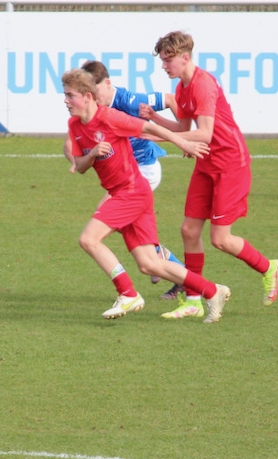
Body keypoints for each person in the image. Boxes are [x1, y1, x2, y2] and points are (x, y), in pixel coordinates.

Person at [62, 68, 230, 324]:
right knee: (149, 264)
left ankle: (127, 293)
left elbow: (149, 128)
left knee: (89, 239)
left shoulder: (110, 117)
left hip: (130, 192)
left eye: (70, 96)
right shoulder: (74, 125)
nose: (65, 101)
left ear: (86, 96)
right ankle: (212, 290)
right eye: (65, 95)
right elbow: (81, 165)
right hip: (127, 193)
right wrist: (93, 153)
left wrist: (183, 143)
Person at [140, 31, 278, 320]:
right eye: (162, 61)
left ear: (185, 58)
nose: (164, 66)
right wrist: (155, 119)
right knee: (189, 231)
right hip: (206, 162)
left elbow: (204, 132)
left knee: (221, 239)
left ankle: (269, 268)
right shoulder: (182, 88)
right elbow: (183, 128)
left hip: (230, 162)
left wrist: (159, 136)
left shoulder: (204, 85)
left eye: (168, 60)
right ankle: (193, 298)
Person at [66, 60, 186, 299]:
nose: (92, 95)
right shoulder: (90, 116)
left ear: (107, 84)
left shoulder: (128, 101)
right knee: (114, 220)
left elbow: (170, 101)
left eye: (95, 89)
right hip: (130, 170)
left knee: (104, 217)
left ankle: (163, 261)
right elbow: (69, 142)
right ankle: (162, 262)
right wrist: (76, 158)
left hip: (144, 169)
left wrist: (182, 134)